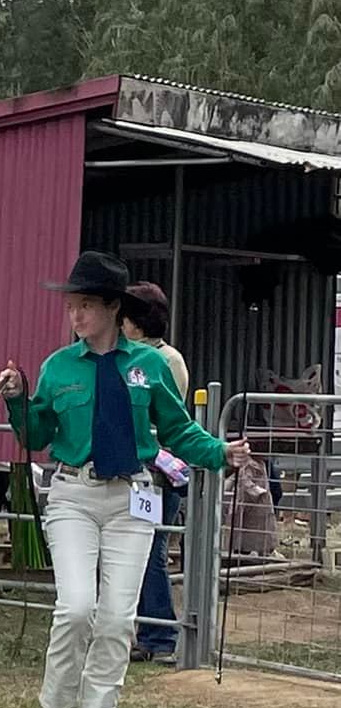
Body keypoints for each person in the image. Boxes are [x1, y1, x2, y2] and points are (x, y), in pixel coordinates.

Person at [7, 253, 246, 708]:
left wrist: (218, 453)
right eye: (72, 306)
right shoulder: (57, 367)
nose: (76, 317)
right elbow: (37, 435)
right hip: (72, 492)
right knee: (75, 607)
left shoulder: (150, 366)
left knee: (116, 619)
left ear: (114, 309)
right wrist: (17, 403)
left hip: (133, 495)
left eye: (87, 306)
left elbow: (178, 429)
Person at [121, 282, 191, 660]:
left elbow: (162, 417)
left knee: (151, 552)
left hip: (160, 473)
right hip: (140, 472)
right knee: (137, 551)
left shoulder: (165, 361)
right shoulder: (133, 356)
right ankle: (143, 632)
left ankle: (160, 636)